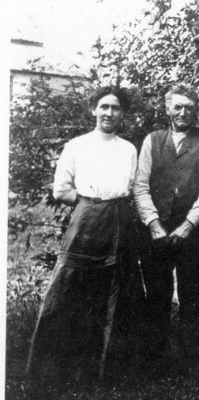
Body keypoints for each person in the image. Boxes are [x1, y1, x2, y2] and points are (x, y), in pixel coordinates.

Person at [26, 86, 138, 382]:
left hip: (116, 219)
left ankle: (101, 370)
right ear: (93, 110)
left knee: (110, 287)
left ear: (122, 114)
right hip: (85, 217)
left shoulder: (128, 149)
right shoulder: (77, 145)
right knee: (69, 284)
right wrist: (88, 203)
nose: (109, 113)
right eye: (104, 106)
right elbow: (60, 189)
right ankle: (51, 367)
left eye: (115, 108)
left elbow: (129, 189)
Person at [133, 83, 199, 366]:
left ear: (196, 111)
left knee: (192, 295)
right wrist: (153, 222)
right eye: (178, 107)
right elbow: (140, 186)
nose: (183, 112)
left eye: (190, 108)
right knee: (156, 294)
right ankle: (155, 360)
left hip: (195, 233)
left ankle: (189, 360)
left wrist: (188, 225)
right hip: (156, 231)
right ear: (167, 108)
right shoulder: (152, 140)